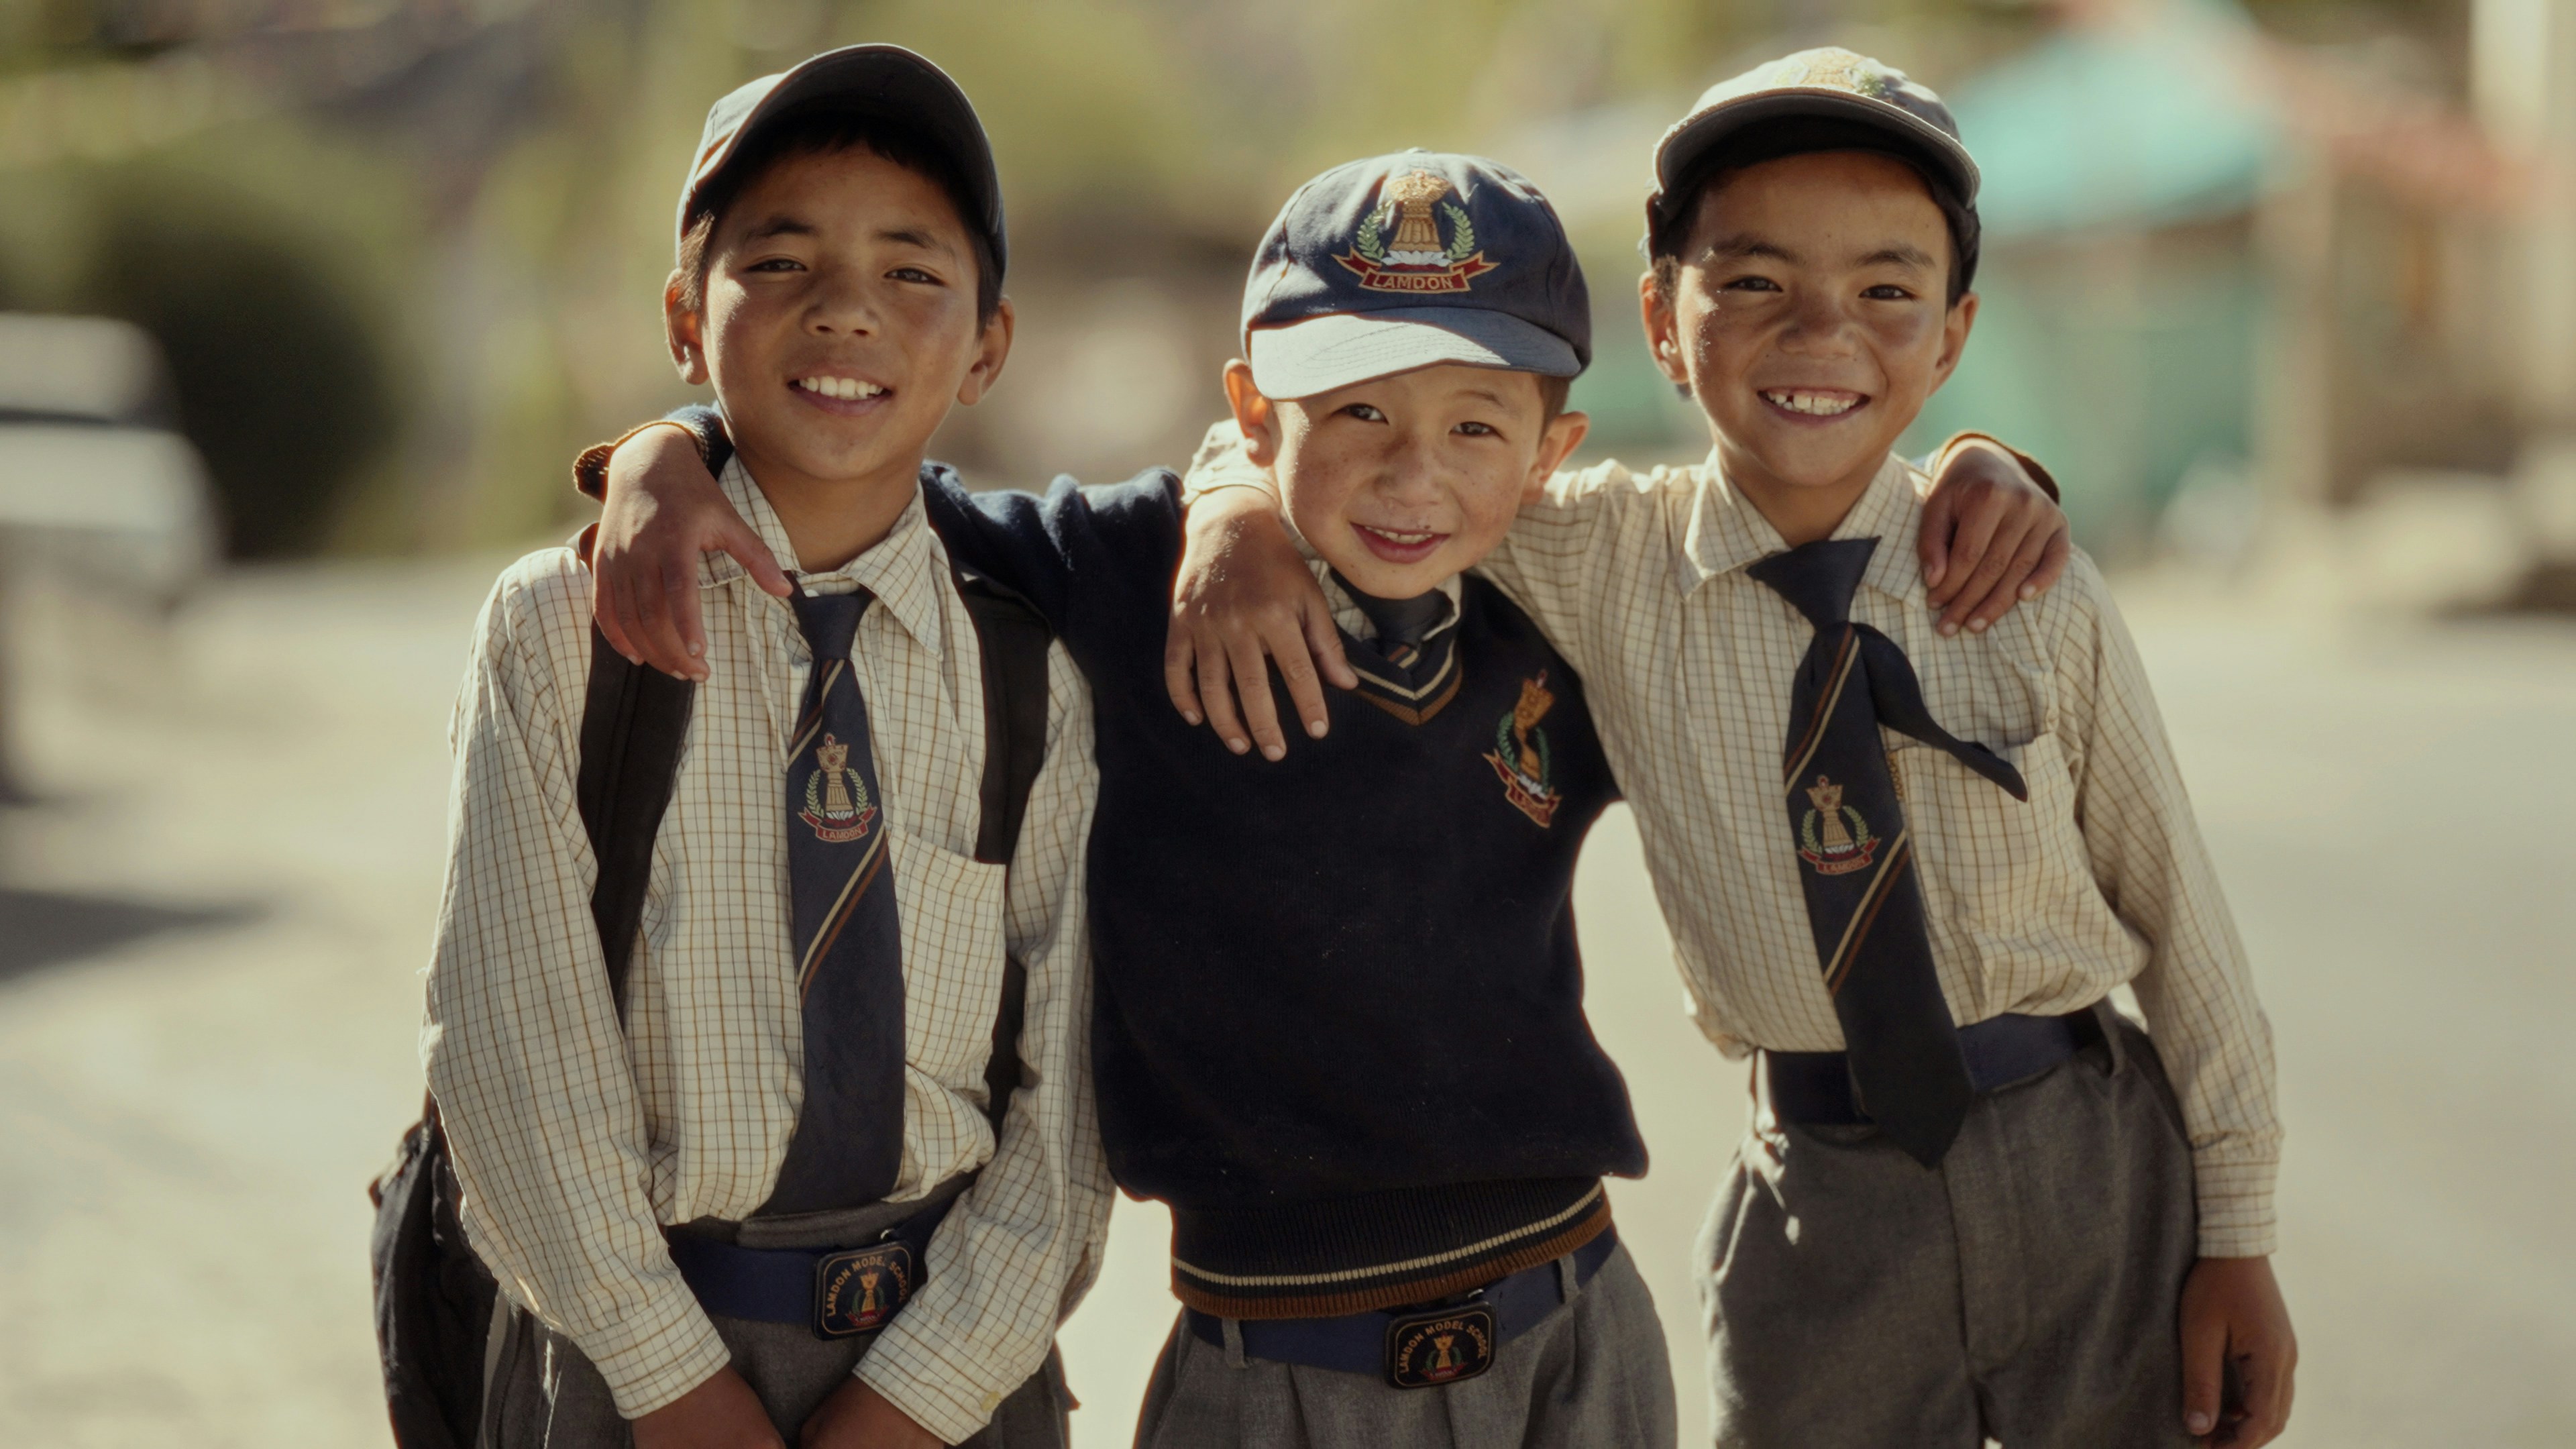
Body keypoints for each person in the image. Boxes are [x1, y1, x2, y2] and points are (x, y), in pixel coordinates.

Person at [572, 138, 2066, 1442]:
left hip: (1568, 1326)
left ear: (1551, 453)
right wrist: (669, 446)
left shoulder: (1575, 612)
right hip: (1265, 1361)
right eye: (1351, 412)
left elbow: (1790, 534)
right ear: (1252, 401)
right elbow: (875, 470)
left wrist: (1989, 466)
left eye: (1474, 427)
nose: (1412, 474)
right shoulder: (1129, 572)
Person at [1173, 48, 2298, 1449]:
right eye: (1754, 283)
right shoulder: (1593, 555)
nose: (1820, 334)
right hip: (1822, 1201)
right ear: (1660, 316)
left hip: (2093, 1170)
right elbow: (1350, 449)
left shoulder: (2029, 586)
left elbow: (2183, 919)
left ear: (1951, 337)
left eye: (1887, 292)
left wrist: (2237, 1232)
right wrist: (1232, 513)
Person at [421, 46, 1108, 1449]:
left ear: (988, 345)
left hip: (951, 1374)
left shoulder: (1033, 671)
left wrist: (914, 1404)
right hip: (629, 1355)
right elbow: (511, 1050)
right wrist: (676, 1387)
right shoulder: (565, 635)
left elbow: (1073, 1100)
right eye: (780, 263)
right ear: (687, 319)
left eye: (914, 273)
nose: (847, 308)